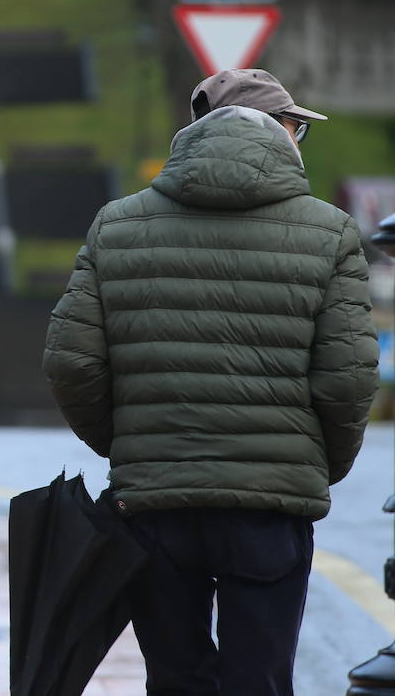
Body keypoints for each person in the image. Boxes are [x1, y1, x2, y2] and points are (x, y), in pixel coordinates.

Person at [42, 68, 379, 695]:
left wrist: (132, 445)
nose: (300, 137)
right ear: (278, 132)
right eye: (297, 126)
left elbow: (71, 362)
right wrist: (311, 465)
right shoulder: (328, 232)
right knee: (261, 677)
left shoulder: (116, 226)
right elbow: (349, 379)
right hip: (269, 509)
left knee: (175, 678)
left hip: (154, 502)